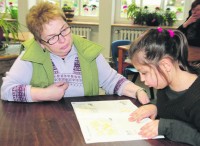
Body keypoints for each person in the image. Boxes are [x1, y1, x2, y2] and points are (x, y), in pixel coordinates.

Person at [0, 2, 149, 104]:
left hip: (86, 122)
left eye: (64, 30)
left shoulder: (87, 51)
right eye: (52, 38)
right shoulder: (31, 55)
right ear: (40, 42)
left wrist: (138, 91)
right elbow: (6, 90)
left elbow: (112, 81)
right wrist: (44, 94)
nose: (63, 40)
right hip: (44, 123)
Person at [128, 27, 200, 145]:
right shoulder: (165, 85)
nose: (141, 79)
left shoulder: (197, 99)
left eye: (144, 72)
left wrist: (168, 127)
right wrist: (156, 107)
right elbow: (172, 104)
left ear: (165, 65)